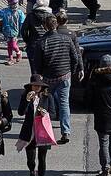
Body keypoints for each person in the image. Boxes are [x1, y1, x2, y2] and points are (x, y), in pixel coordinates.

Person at [35, 13, 82, 144]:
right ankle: (65, 132)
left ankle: (45, 131)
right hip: (64, 76)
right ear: (56, 25)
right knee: (64, 104)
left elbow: (37, 65)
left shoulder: (42, 42)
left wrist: (40, 75)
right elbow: (75, 58)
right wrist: (70, 71)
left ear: (44, 26)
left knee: (45, 105)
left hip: (49, 78)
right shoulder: (66, 39)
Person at [16, 75, 56, 176]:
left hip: (43, 131)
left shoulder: (48, 96)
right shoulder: (26, 96)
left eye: (39, 85)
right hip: (29, 132)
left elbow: (54, 114)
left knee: (42, 158)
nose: (37, 87)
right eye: (34, 85)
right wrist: (27, 101)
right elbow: (20, 112)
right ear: (31, 86)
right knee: (30, 159)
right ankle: (32, 171)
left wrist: (46, 114)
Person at [21, 0, 52, 76]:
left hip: (33, 45)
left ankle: (35, 86)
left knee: (34, 70)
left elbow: (23, 30)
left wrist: (27, 41)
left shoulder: (31, 15)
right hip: (48, 45)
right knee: (46, 69)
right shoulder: (51, 16)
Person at [0, 0, 25, 65]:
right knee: (9, 45)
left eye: (16, 3)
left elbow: (22, 22)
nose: (15, 5)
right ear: (9, 4)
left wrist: (22, 31)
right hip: (6, 31)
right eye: (13, 4)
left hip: (15, 31)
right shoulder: (5, 11)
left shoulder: (20, 12)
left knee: (13, 45)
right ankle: (10, 57)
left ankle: (18, 52)